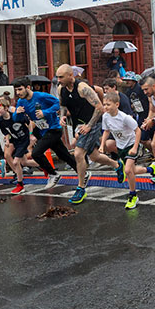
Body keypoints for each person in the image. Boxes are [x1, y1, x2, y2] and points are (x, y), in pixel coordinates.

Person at [100, 91, 155, 209]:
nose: (105, 107)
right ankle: (152, 169)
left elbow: (138, 130)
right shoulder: (105, 117)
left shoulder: (124, 118)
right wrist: (102, 145)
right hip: (121, 147)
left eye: (108, 104)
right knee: (132, 171)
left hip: (131, 144)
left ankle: (133, 195)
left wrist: (135, 147)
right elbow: (107, 131)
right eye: (104, 104)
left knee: (128, 170)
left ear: (117, 104)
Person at [14, 76, 77, 192]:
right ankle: (82, 172)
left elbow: (58, 104)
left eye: (20, 89)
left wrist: (45, 112)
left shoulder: (41, 96)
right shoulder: (20, 101)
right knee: (63, 155)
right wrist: (17, 113)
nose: (18, 93)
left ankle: (53, 174)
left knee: (36, 153)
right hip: (42, 131)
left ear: (28, 87)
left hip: (54, 129)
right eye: (16, 90)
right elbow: (16, 119)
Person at [57, 64, 106, 205]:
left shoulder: (83, 88)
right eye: (57, 77)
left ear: (70, 75)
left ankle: (81, 188)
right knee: (95, 156)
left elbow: (99, 107)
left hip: (92, 123)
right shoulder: (61, 89)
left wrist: (89, 126)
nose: (58, 80)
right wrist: (62, 116)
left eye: (61, 77)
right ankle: (116, 165)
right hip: (78, 124)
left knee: (78, 154)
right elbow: (63, 105)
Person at [0, 97, 35, 195]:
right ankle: (45, 166)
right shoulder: (0, 120)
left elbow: (30, 123)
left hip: (24, 139)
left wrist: (31, 135)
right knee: (25, 162)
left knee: (16, 162)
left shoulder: (16, 116)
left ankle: (20, 185)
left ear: (6, 108)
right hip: (15, 140)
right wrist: (7, 140)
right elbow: (6, 132)